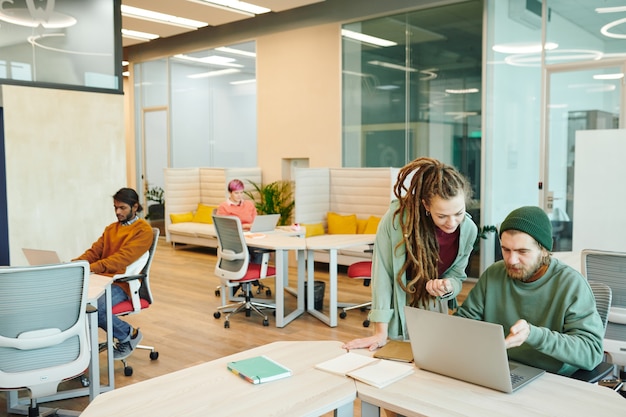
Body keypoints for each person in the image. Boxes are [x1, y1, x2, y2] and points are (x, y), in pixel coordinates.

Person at [343, 157, 478, 351]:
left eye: (459, 212)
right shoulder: (397, 221)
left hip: (434, 306)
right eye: (442, 216)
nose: (452, 222)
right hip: (400, 305)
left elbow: (457, 276)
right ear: (426, 205)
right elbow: (383, 275)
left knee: (432, 362)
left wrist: (447, 287)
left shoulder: (469, 230)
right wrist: (380, 331)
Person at [455, 206, 604, 375]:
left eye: (522, 251)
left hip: (551, 378)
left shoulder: (571, 284)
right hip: (499, 368)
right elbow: (464, 324)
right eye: (506, 250)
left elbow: (592, 353)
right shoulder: (494, 274)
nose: (511, 260)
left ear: (543, 250)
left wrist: (534, 335)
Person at [74, 188, 154, 360]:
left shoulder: (143, 231)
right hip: (101, 280)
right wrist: (76, 264)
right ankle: (78, 353)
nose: (118, 212)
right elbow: (94, 252)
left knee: (96, 309)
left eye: (122, 208)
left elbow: (121, 260)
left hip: (121, 284)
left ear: (135, 207)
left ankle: (129, 335)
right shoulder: (111, 229)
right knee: (75, 304)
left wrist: (92, 268)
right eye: (115, 207)